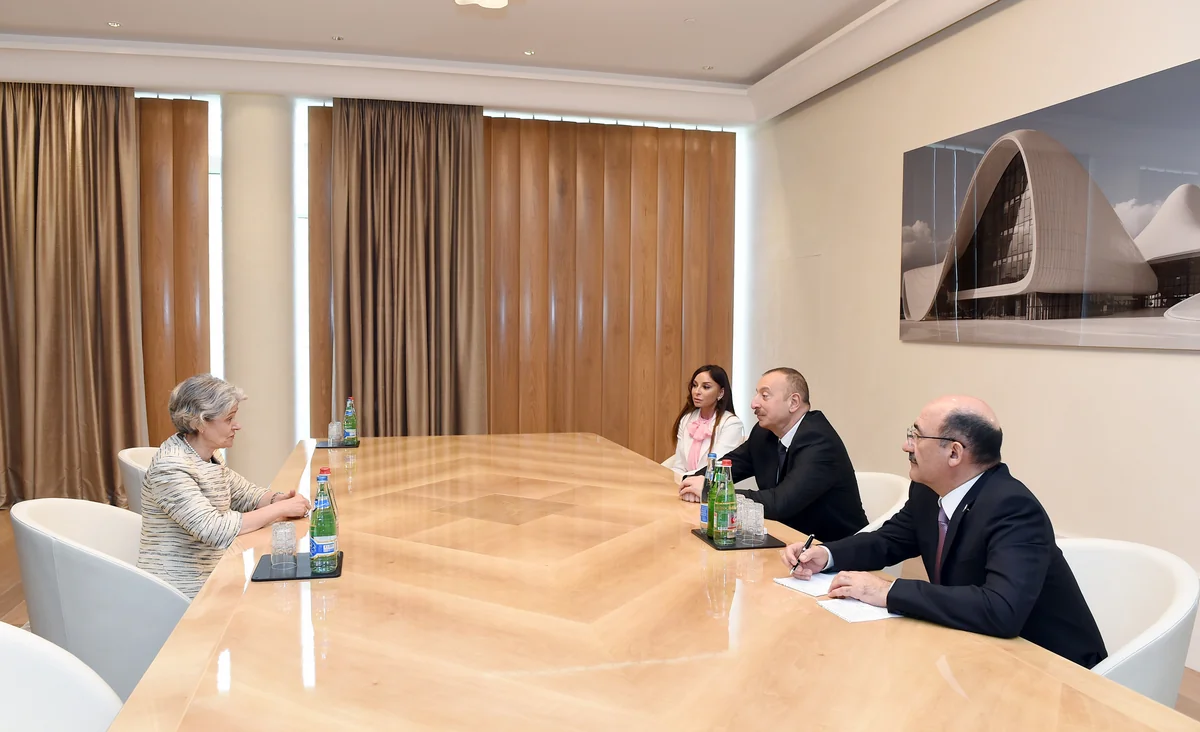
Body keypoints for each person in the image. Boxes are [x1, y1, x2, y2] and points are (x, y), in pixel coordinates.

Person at [784, 395, 1107, 669]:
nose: (905, 445)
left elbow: (1001, 609)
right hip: (972, 649)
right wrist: (825, 555)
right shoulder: (928, 491)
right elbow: (889, 540)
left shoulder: (1013, 507)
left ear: (954, 452)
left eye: (916, 436)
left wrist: (887, 592)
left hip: (1049, 667)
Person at [137, 374, 310, 600]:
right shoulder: (171, 467)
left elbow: (244, 494)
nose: (237, 426)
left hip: (212, 577)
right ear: (200, 423)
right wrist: (281, 510)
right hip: (178, 590)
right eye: (229, 419)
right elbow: (214, 529)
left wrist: (277, 498)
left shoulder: (208, 456)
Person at [680, 367, 866, 541]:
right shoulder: (764, 433)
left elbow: (780, 503)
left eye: (765, 395)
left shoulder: (819, 441)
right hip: (786, 539)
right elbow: (729, 465)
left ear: (793, 402)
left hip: (832, 550)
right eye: (756, 394)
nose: (754, 403)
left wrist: (711, 492)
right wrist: (693, 482)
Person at [661, 364, 745, 482]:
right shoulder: (687, 419)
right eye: (694, 385)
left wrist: (684, 480)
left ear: (720, 393)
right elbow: (679, 465)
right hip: (683, 485)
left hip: (713, 489)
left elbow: (715, 469)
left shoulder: (731, 424)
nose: (696, 392)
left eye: (706, 387)